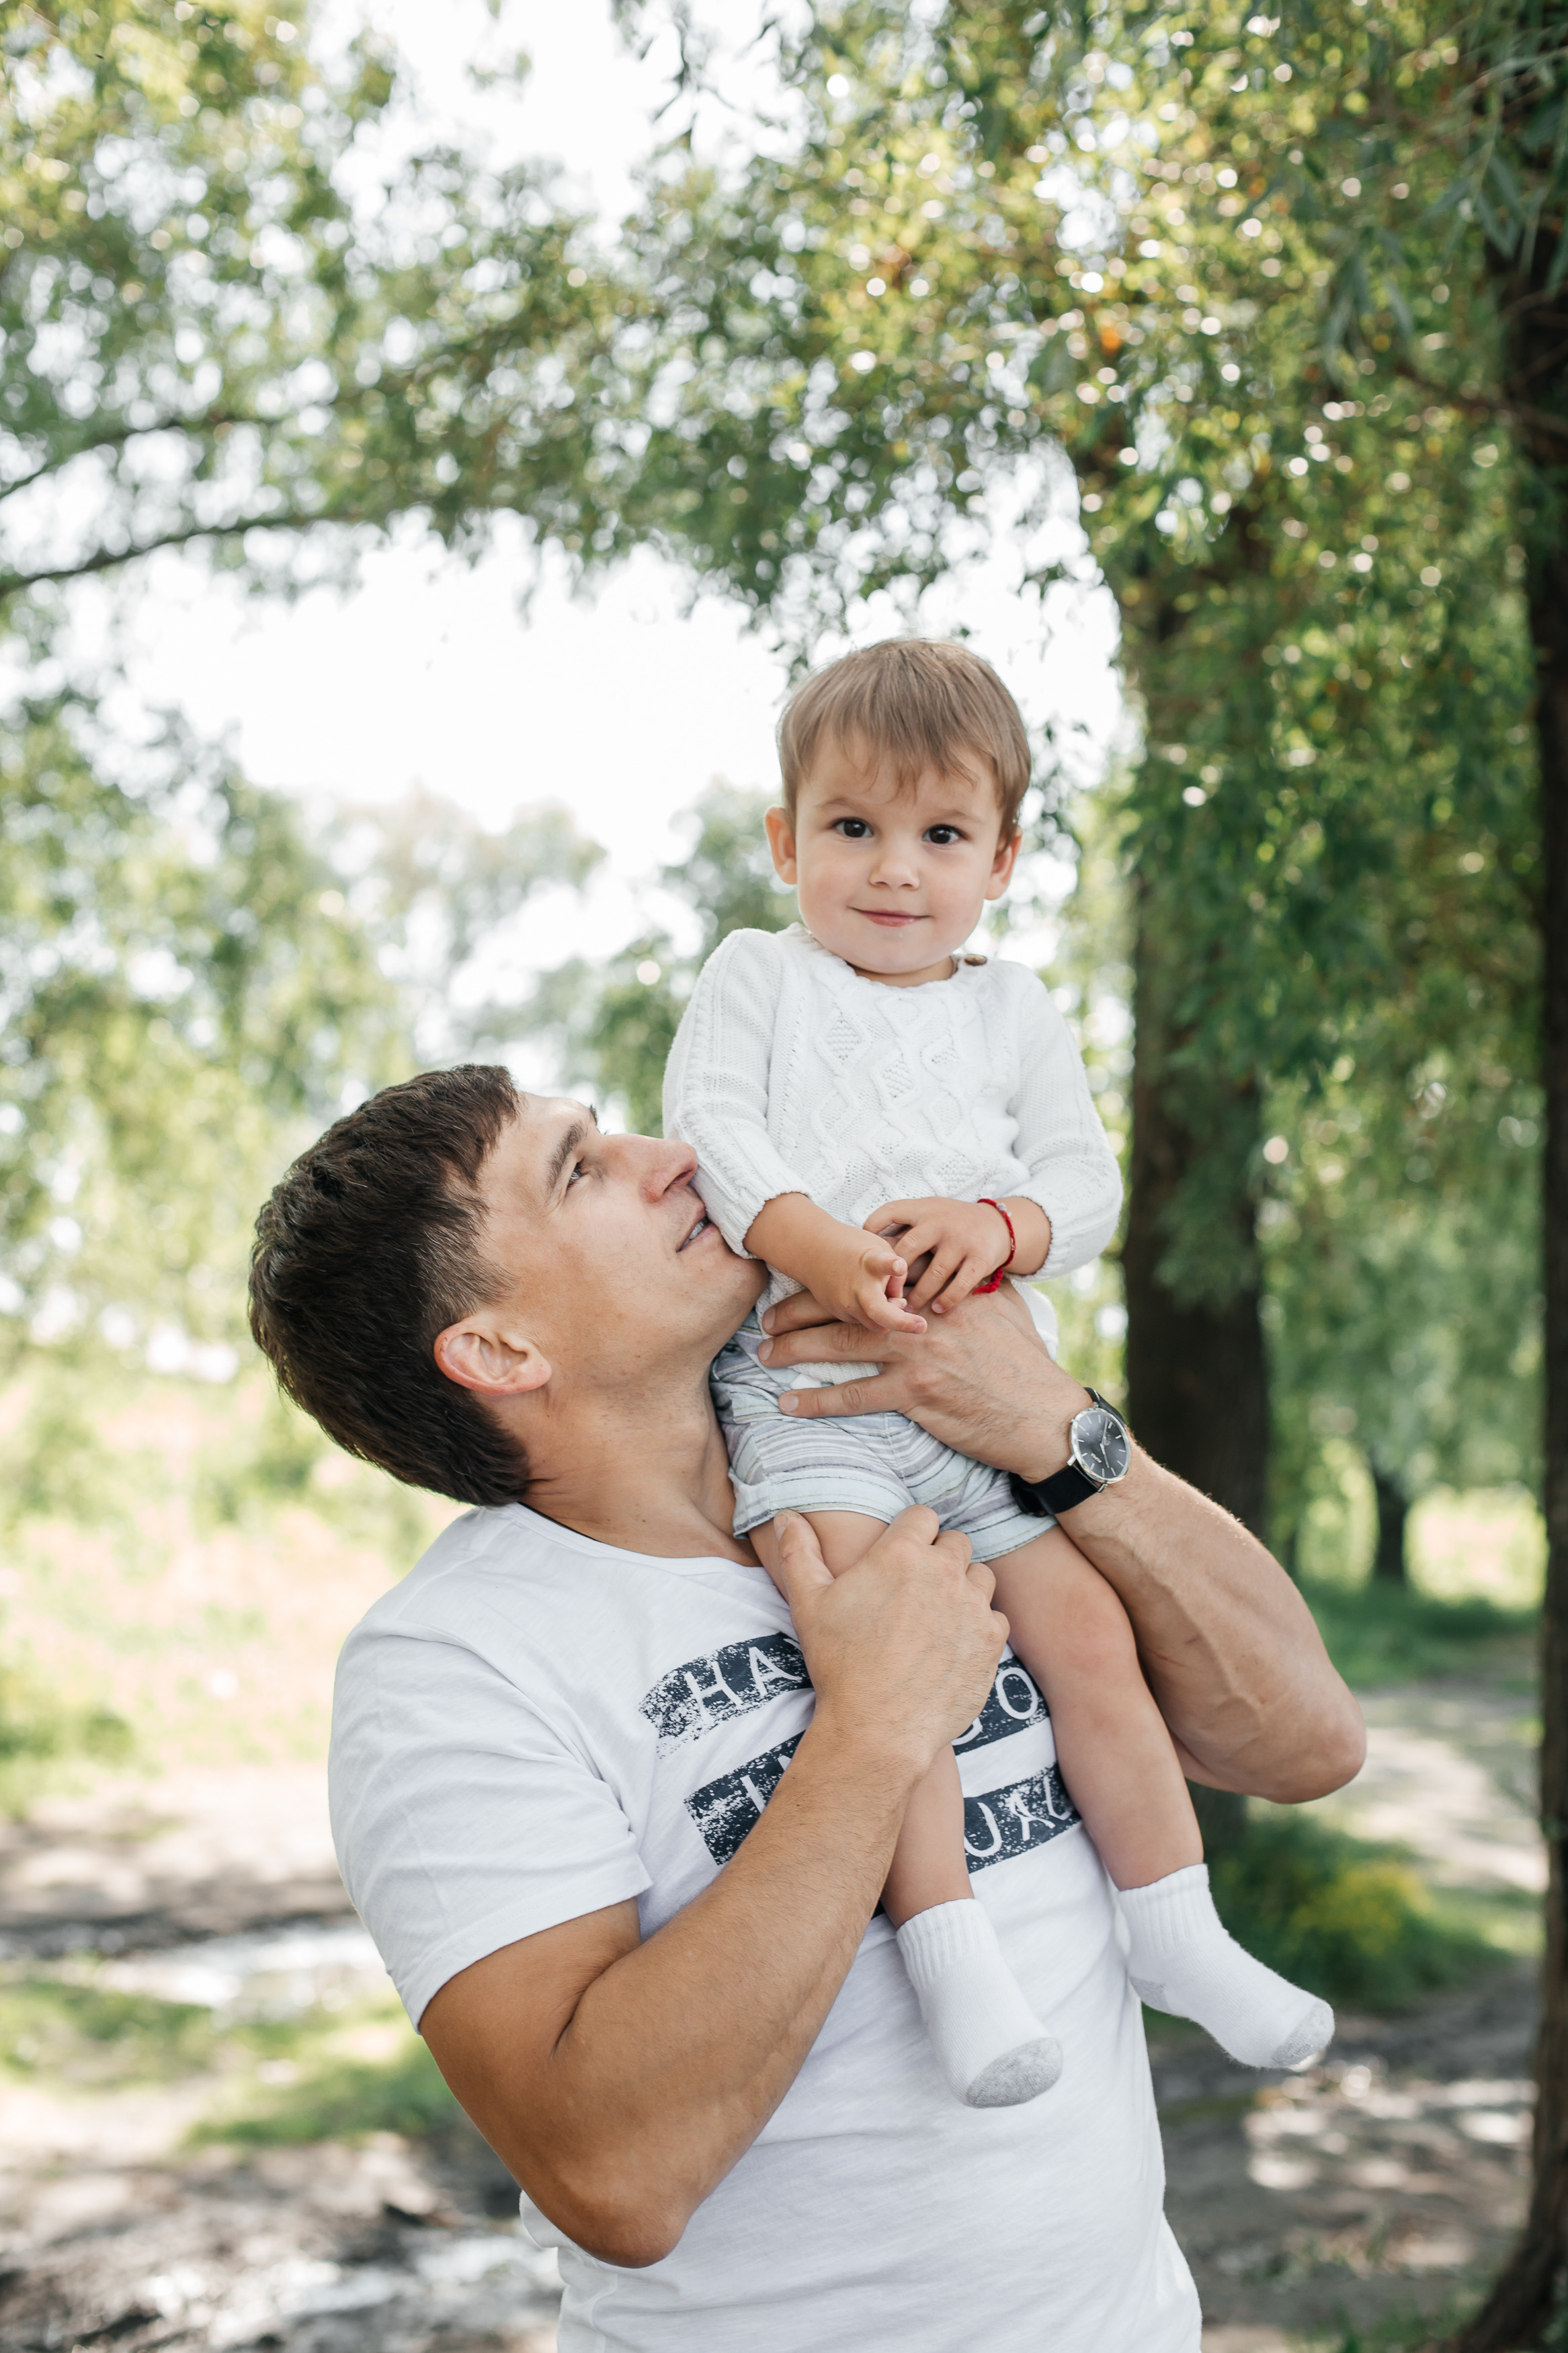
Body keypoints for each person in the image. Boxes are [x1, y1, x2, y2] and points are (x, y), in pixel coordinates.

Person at [247, 1067, 1364, 2353]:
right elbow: (613, 2177)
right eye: (578, 1169)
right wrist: (873, 1731)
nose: (670, 1155)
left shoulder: (908, 1441)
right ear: (500, 1350)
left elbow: (1304, 1741)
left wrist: (1059, 1427)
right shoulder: (450, 1666)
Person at [663, 637, 1333, 2110]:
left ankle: (1177, 1928)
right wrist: (813, 1242)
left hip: (984, 1404)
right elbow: (710, 1124)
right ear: (786, 841)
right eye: (852, 826)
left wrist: (999, 1225)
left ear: (1002, 861)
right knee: (885, 1670)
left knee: (1087, 1636)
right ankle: (955, 1955)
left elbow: (1084, 1186)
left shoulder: (1010, 1008)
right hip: (812, 1397)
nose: (894, 869)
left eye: (942, 834)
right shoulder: (759, 974)